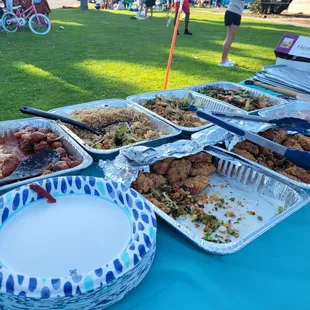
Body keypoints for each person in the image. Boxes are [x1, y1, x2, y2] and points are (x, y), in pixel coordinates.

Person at [219, 0, 244, 67]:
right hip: (233, 13)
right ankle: (223, 61)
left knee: (232, 38)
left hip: (236, 13)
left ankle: (226, 59)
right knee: (229, 38)